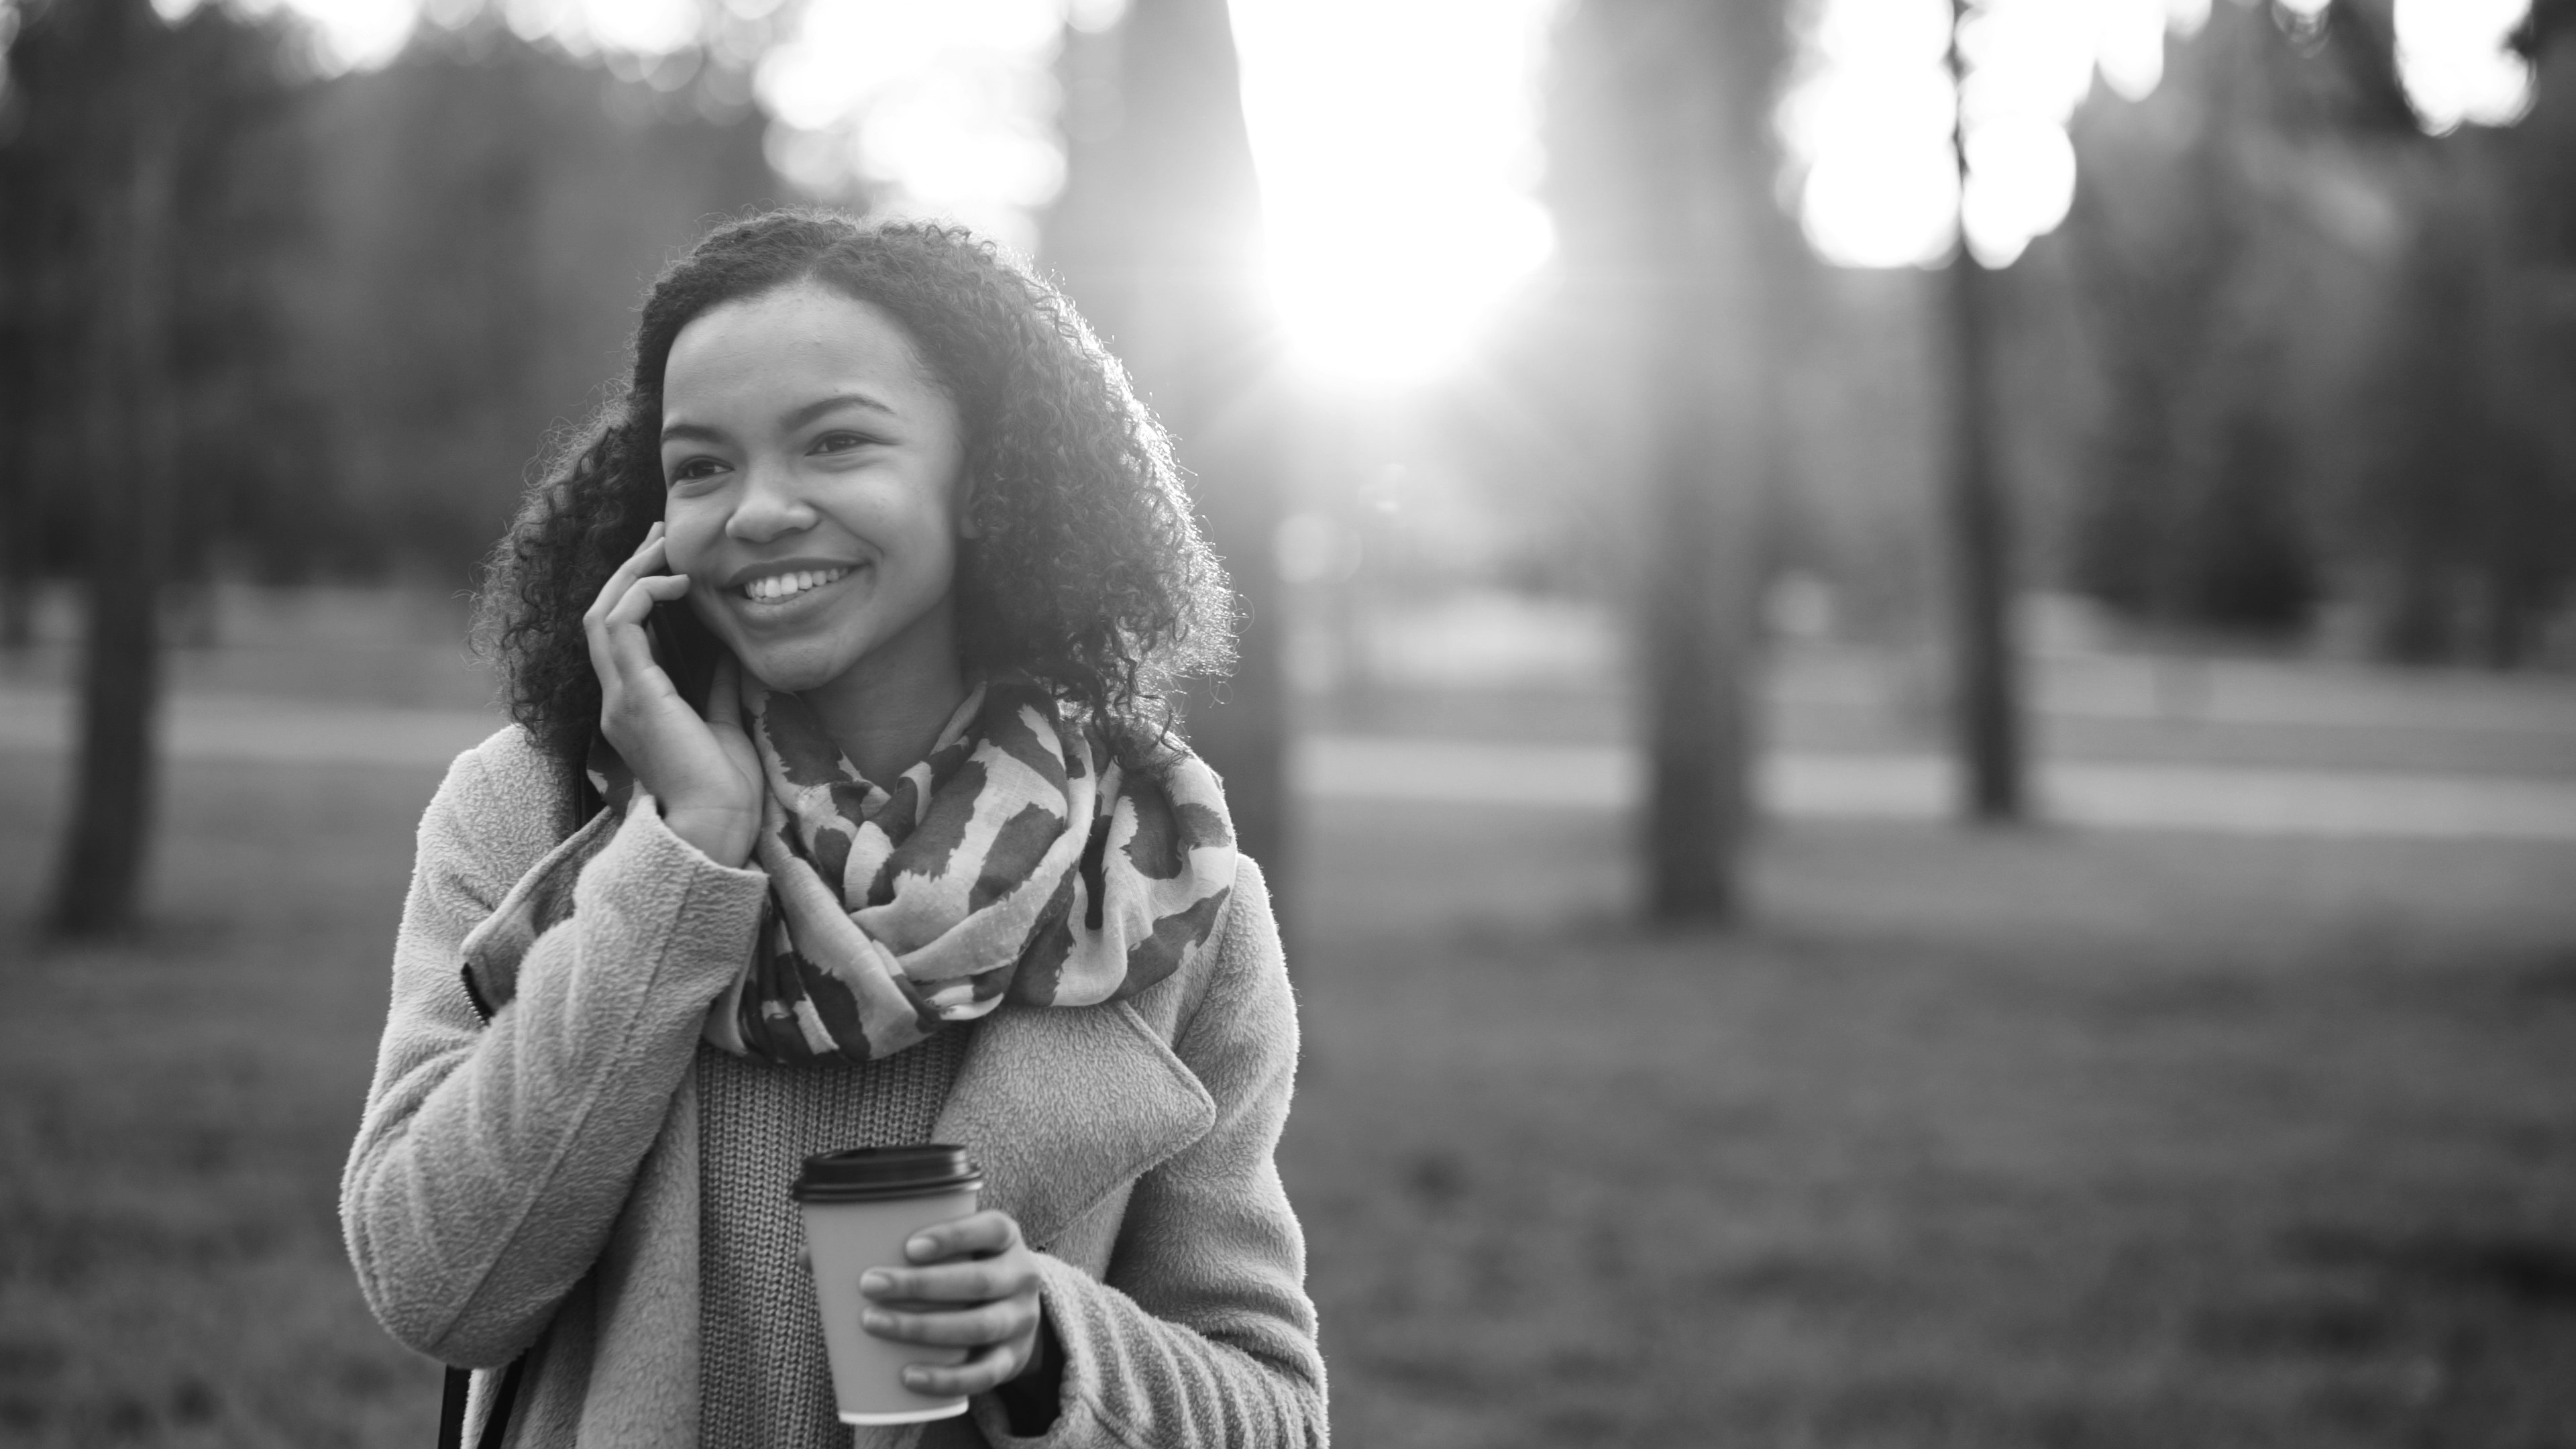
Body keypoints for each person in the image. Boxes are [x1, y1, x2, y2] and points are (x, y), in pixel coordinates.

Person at [339, 210, 1324, 1449]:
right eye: (700, 465)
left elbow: (1276, 1409)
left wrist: (1047, 1342)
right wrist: (685, 853)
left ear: (987, 479)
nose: (755, 512)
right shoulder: (540, 813)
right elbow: (436, 1287)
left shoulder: (1154, 881)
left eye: (836, 443)